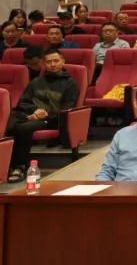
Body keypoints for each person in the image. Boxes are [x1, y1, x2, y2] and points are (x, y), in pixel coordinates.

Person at [5, 49, 81, 182]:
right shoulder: (36, 82)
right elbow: (23, 102)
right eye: (49, 62)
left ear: (63, 61)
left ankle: (20, 166)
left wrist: (44, 114)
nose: (52, 64)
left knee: (23, 128)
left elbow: (67, 109)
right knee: (7, 125)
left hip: (53, 119)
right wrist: (35, 111)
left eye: (56, 61)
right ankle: (5, 165)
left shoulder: (71, 84)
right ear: (44, 64)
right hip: (30, 115)